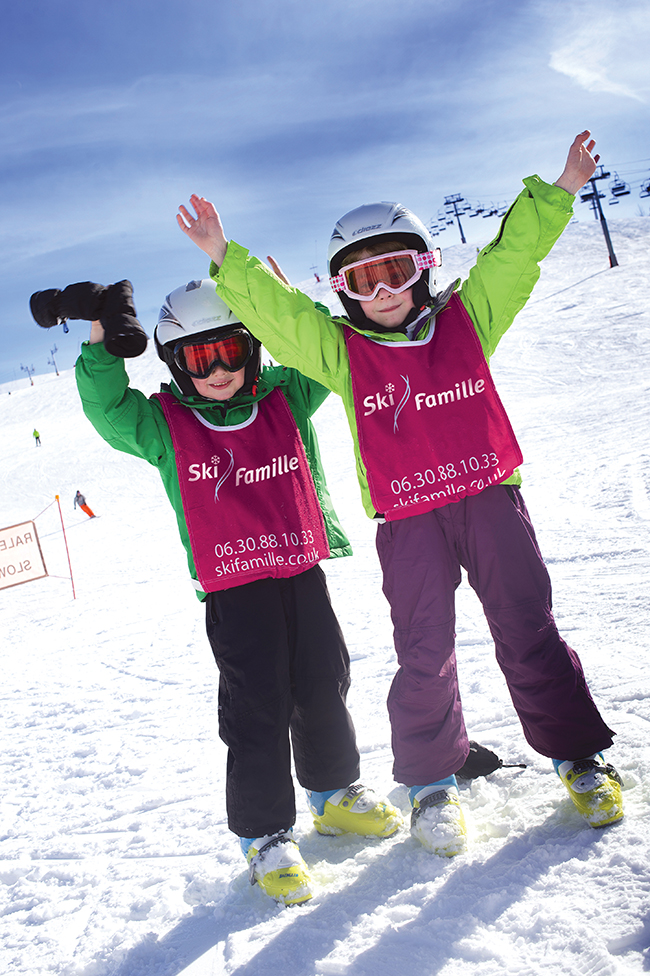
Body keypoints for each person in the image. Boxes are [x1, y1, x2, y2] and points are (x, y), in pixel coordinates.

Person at [176, 131, 624, 857]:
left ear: (424, 270)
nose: (381, 293)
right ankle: (430, 783)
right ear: (343, 293)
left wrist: (563, 188)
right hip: (409, 519)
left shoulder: (466, 322)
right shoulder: (342, 354)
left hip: (489, 501)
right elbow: (286, 321)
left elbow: (512, 261)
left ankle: (576, 754)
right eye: (361, 280)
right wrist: (229, 260)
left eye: (393, 272)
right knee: (425, 650)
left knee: (527, 628)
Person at [74, 277, 401, 905]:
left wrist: (276, 301)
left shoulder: (286, 396)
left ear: (252, 347)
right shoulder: (164, 425)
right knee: (258, 707)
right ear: (175, 362)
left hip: (301, 570)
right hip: (235, 589)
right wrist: (101, 340)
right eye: (200, 358)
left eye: (230, 349)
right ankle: (266, 835)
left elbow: (326, 352)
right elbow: (108, 408)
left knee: (323, 682)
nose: (219, 369)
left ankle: (333, 795)